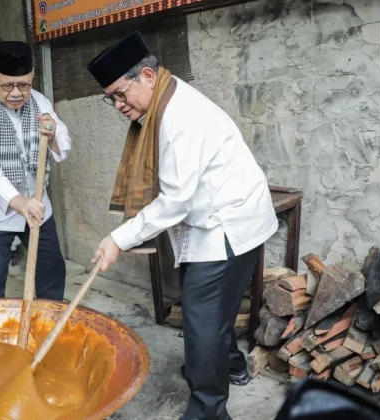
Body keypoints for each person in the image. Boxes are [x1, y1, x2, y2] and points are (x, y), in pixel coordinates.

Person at [87, 32, 278, 420]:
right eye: (111, 99)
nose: (119, 105)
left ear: (147, 76)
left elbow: (176, 200)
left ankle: (208, 409)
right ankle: (230, 366)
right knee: (209, 312)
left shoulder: (181, 117)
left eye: (121, 94)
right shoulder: (165, 98)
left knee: (203, 318)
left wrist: (118, 239)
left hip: (227, 225)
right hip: (212, 221)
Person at [0, 40, 71, 301]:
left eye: (24, 85)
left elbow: (63, 141)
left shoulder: (39, 102)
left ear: (32, 78)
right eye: (8, 85)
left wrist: (52, 136)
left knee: (51, 273)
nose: (16, 93)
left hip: (37, 205)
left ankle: (47, 321)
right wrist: (19, 201)